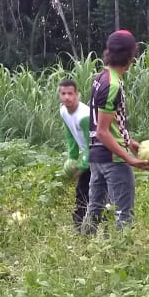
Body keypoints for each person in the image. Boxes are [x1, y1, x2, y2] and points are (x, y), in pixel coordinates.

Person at [82, 30, 149, 232]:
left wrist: (129, 141)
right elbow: (104, 131)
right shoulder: (112, 84)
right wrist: (128, 158)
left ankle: (84, 247)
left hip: (97, 155)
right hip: (112, 158)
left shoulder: (101, 78)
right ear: (131, 56)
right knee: (124, 212)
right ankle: (122, 254)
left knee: (94, 208)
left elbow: (110, 123)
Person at [58, 78, 91, 228]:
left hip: (99, 154)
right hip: (88, 154)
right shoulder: (63, 111)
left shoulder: (84, 116)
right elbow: (70, 135)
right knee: (83, 192)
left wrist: (81, 168)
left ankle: (86, 226)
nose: (67, 97)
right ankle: (80, 225)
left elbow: (93, 145)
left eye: (70, 93)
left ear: (77, 94)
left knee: (89, 189)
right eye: (63, 93)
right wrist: (72, 158)